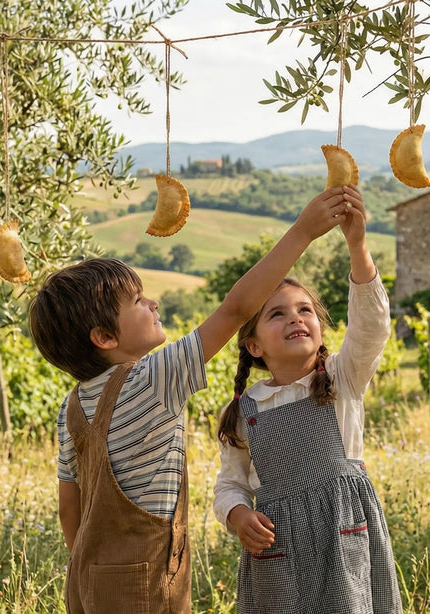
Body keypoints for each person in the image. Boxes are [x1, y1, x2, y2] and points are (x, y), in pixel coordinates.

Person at [28, 186, 356, 614]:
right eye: (137, 301)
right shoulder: (153, 380)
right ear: (105, 337)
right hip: (144, 585)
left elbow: (69, 506)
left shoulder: (71, 408)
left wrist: (92, 572)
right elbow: (236, 310)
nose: (153, 302)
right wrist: (302, 232)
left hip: (87, 582)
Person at [213, 185, 402, 613]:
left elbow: (372, 327)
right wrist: (239, 515)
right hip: (279, 552)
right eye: (277, 314)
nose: (295, 318)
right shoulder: (244, 411)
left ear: (319, 326)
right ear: (254, 346)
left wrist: (358, 246)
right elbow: (230, 484)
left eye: (305, 310)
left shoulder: (341, 379)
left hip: (344, 539)